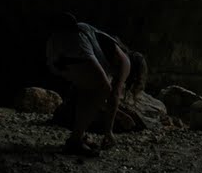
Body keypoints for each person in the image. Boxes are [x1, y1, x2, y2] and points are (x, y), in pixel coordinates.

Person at [45, 12, 147, 156]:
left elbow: (93, 101)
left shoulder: (104, 43)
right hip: (77, 48)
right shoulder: (125, 61)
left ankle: (77, 138)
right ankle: (75, 141)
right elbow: (114, 94)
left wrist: (119, 114)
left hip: (54, 52)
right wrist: (109, 131)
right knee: (103, 88)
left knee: (86, 92)